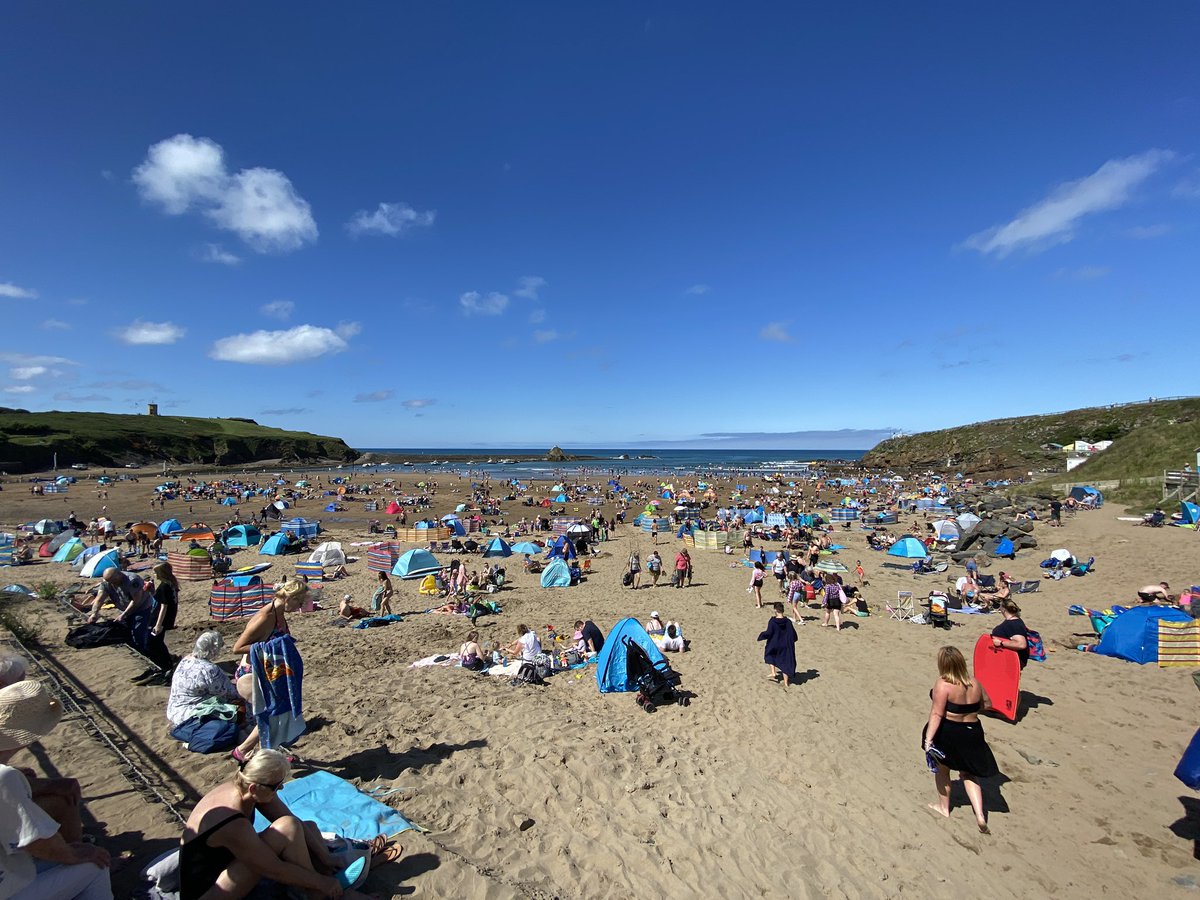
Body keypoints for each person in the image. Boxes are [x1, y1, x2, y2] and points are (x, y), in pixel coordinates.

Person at [179, 748, 388, 899]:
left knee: (309, 829)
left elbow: (295, 820)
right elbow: (274, 869)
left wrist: (323, 856)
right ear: (254, 787)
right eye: (277, 786)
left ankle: (327, 880)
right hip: (210, 891)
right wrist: (321, 883)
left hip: (227, 865)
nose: (280, 790)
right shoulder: (231, 822)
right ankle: (319, 892)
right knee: (288, 829)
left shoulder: (247, 786)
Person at [0, 680, 113, 899]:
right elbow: (34, 840)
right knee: (95, 865)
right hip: (8, 887)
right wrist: (74, 854)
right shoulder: (5, 777)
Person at [229, 580, 308, 763]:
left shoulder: (280, 613)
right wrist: (273, 646)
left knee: (276, 712)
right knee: (271, 714)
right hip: (250, 674)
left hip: (268, 673)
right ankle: (242, 751)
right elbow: (238, 647)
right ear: (289, 597)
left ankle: (267, 754)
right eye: (299, 601)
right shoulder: (266, 616)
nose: (300, 606)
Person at [922, 646, 999, 833]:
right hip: (972, 731)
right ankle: (980, 815)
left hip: (949, 731)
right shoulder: (974, 683)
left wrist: (928, 740)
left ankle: (943, 807)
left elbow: (937, 714)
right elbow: (988, 704)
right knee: (968, 772)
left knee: (942, 770)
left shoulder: (943, 684)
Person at [166, 632, 242, 728]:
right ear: (214, 650)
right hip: (191, 715)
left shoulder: (185, 660)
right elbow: (230, 693)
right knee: (240, 705)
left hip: (174, 711)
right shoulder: (209, 669)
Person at [133, 562, 181, 685]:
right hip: (161, 619)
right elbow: (160, 600)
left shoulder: (165, 586)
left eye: (155, 572)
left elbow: (164, 606)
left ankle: (165, 666)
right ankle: (166, 665)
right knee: (156, 642)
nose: (154, 574)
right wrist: (152, 591)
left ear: (161, 573)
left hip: (159, 620)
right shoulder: (170, 585)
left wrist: (158, 624)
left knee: (151, 643)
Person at [757, 602, 798, 685]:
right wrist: (793, 640)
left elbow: (769, 632)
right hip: (785, 645)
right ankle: (786, 683)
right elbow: (793, 634)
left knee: (769, 654)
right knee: (785, 662)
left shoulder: (772, 621)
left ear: (775, 610)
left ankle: (773, 672)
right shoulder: (788, 622)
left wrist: (761, 636)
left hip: (774, 643)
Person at [991, 600, 1030, 668]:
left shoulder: (1014, 624)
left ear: (1004, 610)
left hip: (1010, 662)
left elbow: (1021, 644)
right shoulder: (1013, 621)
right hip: (1004, 659)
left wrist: (1001, 643)